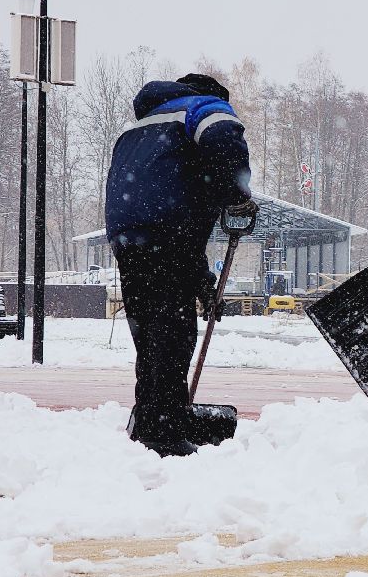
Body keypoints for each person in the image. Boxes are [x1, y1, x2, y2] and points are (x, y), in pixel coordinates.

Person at [105, 72, 258, 457]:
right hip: (167, 232)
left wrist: (202, 282)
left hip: (129, 235)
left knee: (151, 335)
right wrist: (236, 197)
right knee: (173, 337)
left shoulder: (139, 129)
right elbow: (225, 141)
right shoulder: (205, 107)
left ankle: (149, 418)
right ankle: (166, 434)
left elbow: (176, 222)